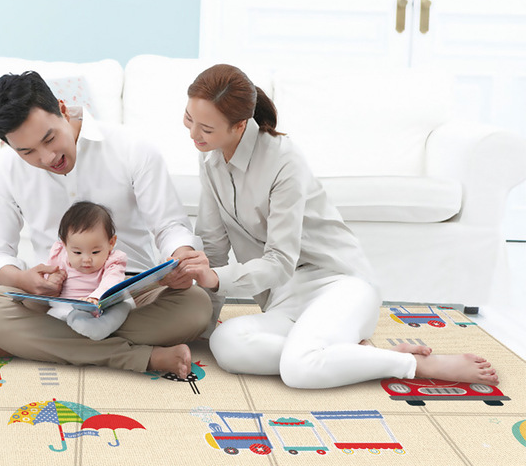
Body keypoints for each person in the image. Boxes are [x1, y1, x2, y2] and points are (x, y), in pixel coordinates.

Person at [176, 64, 498, 389]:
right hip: (284, 299)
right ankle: (350, 357)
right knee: (225, 344)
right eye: (189, 119)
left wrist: (217, 279)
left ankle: (412, 363)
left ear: (240, 125)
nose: (193, 134)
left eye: (206, 127)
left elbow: (279, 262)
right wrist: (203, 324)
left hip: (337, 284)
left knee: (299, 371)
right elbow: (214, 246)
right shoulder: (210, 158)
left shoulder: (283, 160)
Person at [0, 71, 212, 380]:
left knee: (196, 307)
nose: (47, 157)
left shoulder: (132, 147)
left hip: (133, 296)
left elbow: (169, 226)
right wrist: (24, 280)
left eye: (49, 138)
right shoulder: (1, 171)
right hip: (54, 301)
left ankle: (32, 343)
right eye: (26, 152)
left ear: (62, 108)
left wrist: (181, 258)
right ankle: (143, 357)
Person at [43, 201, 134, 341]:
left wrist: (96, 297)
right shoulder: (60, 255)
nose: (86, 259)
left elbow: (112, 281)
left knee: (123, 306)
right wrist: (52, 279)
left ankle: (101, 327)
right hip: (68, 306)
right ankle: (81, 329)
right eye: (77, 252)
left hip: (103, 307)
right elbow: (48, 277)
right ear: (65, 244)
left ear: (111, 243)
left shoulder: (113, 261)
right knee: (51, 318)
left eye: (95, 252)